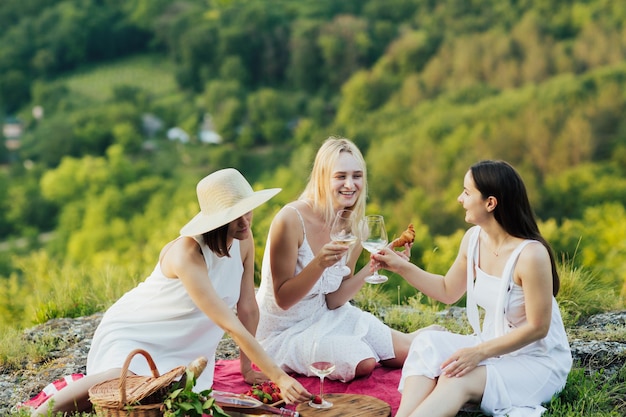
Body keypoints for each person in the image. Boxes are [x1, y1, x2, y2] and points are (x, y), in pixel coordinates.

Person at [31, 168, 311, 416]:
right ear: (216, 219)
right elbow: (229, 322)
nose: (245, 221)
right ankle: (42, 412)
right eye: (235, 216)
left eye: (247, 210)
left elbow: (247, 306)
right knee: (126, 381)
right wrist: (279, 378)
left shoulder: (244, 239)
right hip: (138, 331)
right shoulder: (186, 253)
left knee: (169, 396)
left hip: (188, 346)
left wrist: (247, 368)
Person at [371, 160, 572, 417]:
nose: (459, 198)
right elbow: (447, 290)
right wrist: (400, 267)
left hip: (537, 362)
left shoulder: (531, 255)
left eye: (466, 193)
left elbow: (538, 327)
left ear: (490, 203)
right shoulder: (473, 239)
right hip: (492, 346)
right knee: (426, 343)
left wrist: (477, 353)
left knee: (456, 377)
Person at [255, 137, 417, 383]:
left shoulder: (353, 226)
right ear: (322, 177)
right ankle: (355, 343)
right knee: (363, 361)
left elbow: (334, 300)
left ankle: (472, 347)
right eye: (340, 176)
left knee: (410, 350)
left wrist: (374, 265)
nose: (350, 185)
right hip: (282, 334)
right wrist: (320, 262)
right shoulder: (290, 220)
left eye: (357, 176)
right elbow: (283, 299)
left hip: (326, 317)